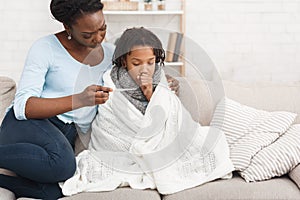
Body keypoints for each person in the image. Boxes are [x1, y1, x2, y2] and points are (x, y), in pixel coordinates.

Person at [0, 1, 179, 199]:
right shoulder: (45, 48)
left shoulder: (112, 53)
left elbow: (135, 72)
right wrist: (79, 99)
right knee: (63, 165)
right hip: (29, 126)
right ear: (68, 27)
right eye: (88, 34)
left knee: (58, 190)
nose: (98, 38)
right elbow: (23, 107)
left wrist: (162, 83)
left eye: (102, 28)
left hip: (65, 134)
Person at [60, 27, 234, 196]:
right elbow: (110, 119)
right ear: (123, 61)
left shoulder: (159, 77)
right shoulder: (111, 82)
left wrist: (151, 93)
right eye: (136, 63)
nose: (145, 69)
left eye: (150, 62)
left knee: (214, 140)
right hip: (122, 149)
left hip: (162, 143)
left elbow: (170, 115)